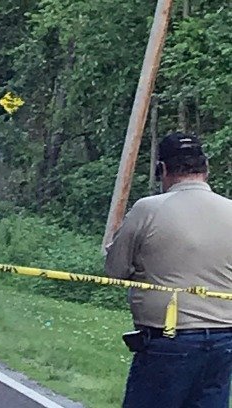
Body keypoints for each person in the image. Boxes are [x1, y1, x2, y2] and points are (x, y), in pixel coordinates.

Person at [105, 132, 232, 408]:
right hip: (224, 340)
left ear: (162, 169)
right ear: (206, 168)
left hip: (168, 339)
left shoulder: (147, 210)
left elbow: (114, 271)